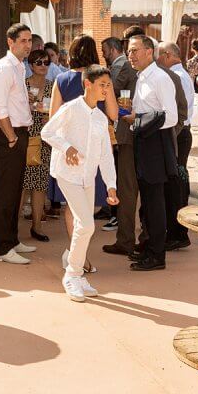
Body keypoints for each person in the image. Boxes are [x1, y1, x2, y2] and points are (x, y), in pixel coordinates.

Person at [41, 65, 119, 301]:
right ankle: (72, 274)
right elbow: (47, 132)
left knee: (86, 226)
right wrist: (67, 147)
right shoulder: (71, 108)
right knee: (86, 225)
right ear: (88, 85)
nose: (106, 90)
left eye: (108, 85)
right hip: (67, 174)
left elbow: (106, 154)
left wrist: (111, 185)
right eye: (102, 85)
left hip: (87, 176)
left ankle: (75, 272)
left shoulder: (100, 117)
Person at [126, 34, 180, 271]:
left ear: (150, 52)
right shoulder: (142, 78)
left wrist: (140, 121)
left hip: (156, 143)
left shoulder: (160, 78)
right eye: (129, 50)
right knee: (146, 201)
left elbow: (171, 116)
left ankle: (158, 255)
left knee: (155, 201)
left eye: (135, 50)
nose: (131, 55)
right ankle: (149, 247)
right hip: (143, 140)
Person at [0, 23, 37, 265]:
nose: (28, 45)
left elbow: (10, 100)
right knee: (6, 192)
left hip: (19, 133)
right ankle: (2, 248)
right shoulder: (3, 69)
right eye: (23, 41)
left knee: (16, 189)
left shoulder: (18, 68)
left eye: (29, 41)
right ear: (11, 42)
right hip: (8, 135)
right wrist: (11, 137)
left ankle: (12, 239)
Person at [101, 36, 137, 243]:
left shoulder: (123, 67)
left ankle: (125, 238)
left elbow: (110, 91)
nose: (131, 56)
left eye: (134, 51)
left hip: (127, 131)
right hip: (129, 129)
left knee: (126, 184)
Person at [158, 41, 196, 233]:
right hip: (181, 132)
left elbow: (177, 112)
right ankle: (179, 226)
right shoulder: (180, 74)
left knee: (176, 181)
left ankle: (178, 228)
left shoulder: (176, 76)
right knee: (179, 179)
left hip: (178, 133)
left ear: (166, 55)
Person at [21, 49, 53, 243]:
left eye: (46, 62)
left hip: (44, 138)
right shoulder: (23, 86)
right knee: (22, 185)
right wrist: (26, 103)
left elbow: (58, 111)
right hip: (25, 137)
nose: (43, 66)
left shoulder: (53, 86)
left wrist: (48, 117)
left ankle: (37, 227)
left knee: (40, 185)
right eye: (39, 62)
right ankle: (12, 228)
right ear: (31, 65)